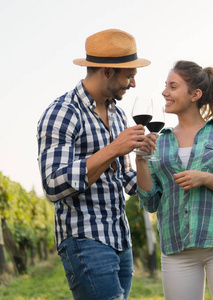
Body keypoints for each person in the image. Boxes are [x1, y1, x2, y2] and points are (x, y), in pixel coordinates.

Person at [37, 29, 153, 300]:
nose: (133, 83)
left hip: (120, 239)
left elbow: (124, 177)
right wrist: (114, 148)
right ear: (107, 71)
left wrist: (147, 162)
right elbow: (53, 185)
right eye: (130, 75)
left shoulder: (118, 112)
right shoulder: (63, 112)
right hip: (85, 239)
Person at [136, 60, 213, 300]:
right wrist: (140, 162)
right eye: (165, 86)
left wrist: (208, 179)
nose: (164, 92)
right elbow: (151, 202)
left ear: (195, 94)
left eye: (173, 86)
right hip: (176, 248)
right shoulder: (160, 141)